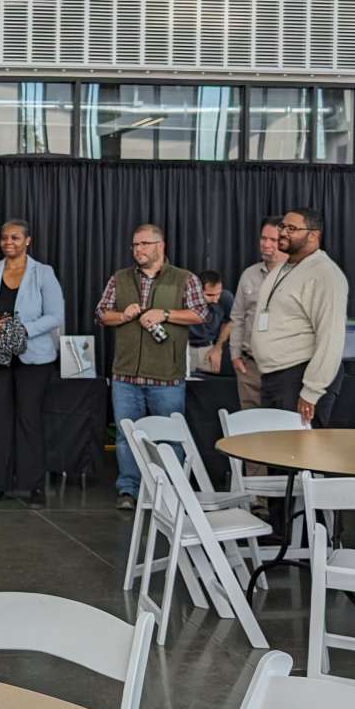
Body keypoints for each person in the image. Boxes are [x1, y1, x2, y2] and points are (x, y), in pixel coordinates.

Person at [95, 224, 206, 510]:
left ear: (161, 246)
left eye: (144, 244)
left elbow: (199, 313)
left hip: (166, 378)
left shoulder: (184, 278)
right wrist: (123, 315)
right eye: (135, 245)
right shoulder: (120, 279)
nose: (138, 250)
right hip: (125, 375)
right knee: (125, 436)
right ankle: (128, 490)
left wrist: (165, 314)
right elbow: (101, 314)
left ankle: (172, 490)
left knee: (170, 437)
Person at [0, 220, 65, 509]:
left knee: (29, 421)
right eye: (4, 237)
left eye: (15, 237)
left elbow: (55, 315)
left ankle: (34, 487)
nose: (8, 242)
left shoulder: (43, 273)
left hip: (34, 358)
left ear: (27, 241)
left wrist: (24, 329)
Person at [250, 208, 348, 426]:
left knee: (297, 455)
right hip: (275, 378)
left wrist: (312, 391)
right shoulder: (285, 267)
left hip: (300, 379)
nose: (283, 232)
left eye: (292, 228)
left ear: (313, 235)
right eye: (283, 226)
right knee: (274, 456)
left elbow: (331, 337)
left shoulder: (325, 274)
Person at [229, 217, 284, 409]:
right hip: (250, 366)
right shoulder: (249, 275)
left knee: (283, 429)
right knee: (250, 428)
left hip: (284, 368)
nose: (266, 244)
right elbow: (237, 317)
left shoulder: (298, 275)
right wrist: (235, 355)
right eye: (263, 238)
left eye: (273, 240)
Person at [188, 271, 234, 375]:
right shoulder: (186, 298)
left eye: (218, 294)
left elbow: (230, 321)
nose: (215, 299)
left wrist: (218, 348)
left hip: (210, 348)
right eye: (210, 295)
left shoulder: (225, 297)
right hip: (185, 348)